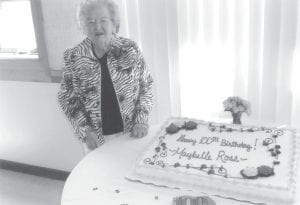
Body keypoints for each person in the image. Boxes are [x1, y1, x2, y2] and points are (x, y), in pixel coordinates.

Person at [57, 0, 153, 154]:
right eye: (91, 21)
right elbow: (67, 98)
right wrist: (85, 131)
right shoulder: (74, 56)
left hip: (131, 133)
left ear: (114, 23)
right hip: (96, 139)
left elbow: (146, 86)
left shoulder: (129, 49)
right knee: (98, 176)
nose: (97, 26)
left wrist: (141, 121)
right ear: (84, 26)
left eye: (103, 20)